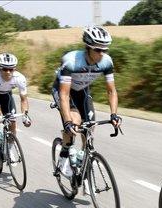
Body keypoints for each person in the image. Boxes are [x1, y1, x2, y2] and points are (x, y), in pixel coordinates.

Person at [51, 25, 122, 178]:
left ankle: (83, 160)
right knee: (75, 122)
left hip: (82, 91)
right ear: (88, 47)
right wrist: (68, 121)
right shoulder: (71, 61)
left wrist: (114, 114)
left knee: (90, 126)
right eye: (98, 50)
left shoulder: (107, 62)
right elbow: (64, 94)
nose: (102, 53)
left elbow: (111, 91)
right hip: (64, 91)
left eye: (105, 50)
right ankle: (64, 155)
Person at [0, 53, 31, 157]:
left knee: (12, 122)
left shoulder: (20, 78)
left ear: (15, 68)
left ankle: (9, 150)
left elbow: (24, 99)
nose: (8, 72)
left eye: (11, 69)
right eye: (4, 69)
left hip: (7, 95)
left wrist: (25, 116)